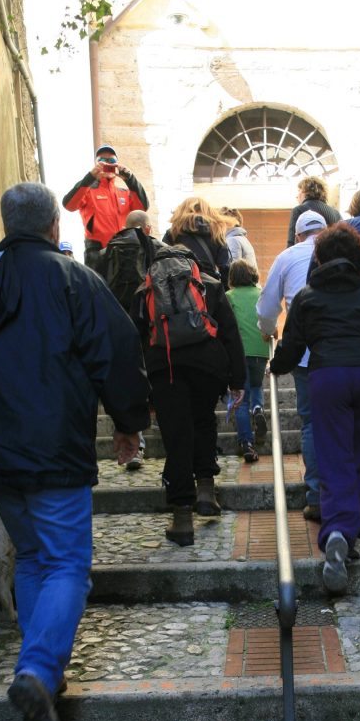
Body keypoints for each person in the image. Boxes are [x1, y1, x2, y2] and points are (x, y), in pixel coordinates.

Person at [0, 182, 150, 721]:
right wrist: (128, 421)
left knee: (32, 556)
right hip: (54, 446)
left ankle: (44, 679)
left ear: (6, 224)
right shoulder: (72, 278)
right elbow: (116, 349)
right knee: (66, 564)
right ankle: (36, 670)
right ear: (55, 225)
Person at [270, 223, 360, 595]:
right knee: (357, 451)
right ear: (359, 256)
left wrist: (275, 365)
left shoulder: (308, 296)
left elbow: (291, 347)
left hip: (328, 377)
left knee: (334, 458)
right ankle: (352, 526)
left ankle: (338, 529)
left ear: (319, 258)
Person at [131, 243, 246, 547]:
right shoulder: (209, 284)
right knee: (203, 421)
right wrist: (238, 380)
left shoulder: (145, 290)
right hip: (207, 365)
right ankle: (206, 488)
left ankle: (182, 516)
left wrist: (140, 388)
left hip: (164, 367)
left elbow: (135, 340)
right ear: (192, 263)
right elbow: (230, 332)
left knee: (176, 435)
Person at [257, 209, 327, 520]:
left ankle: (316, 496)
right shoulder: (342, 253)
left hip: (305, 355)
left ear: (298, 236)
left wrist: (268, 328)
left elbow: (267, 306)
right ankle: (349, 491)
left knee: (311, 421)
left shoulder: (287, 257)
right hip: (346, 354)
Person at [97, 208, 159, 472]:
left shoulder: (105, 252)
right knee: (155, 379)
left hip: (118, 329)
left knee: (127, 383)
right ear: (147, 228)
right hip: (149, 326)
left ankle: (136, 445)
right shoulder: (156, 248)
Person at [62, 143, 149, 270]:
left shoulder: (124, 193)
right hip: (97, 254)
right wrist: (90, 176)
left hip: (125, 252)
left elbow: (143, 207)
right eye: (102, 160)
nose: (107, 164)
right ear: (96, 164)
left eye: (111, 161)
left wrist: (129, 178)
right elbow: (69, 205)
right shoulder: (88, 191)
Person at [226, 259, 267, 463]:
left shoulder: (229, 296)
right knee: (256, 385)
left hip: (239, 352)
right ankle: (258, 409)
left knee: (240, 397)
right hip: (261, 350)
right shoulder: (261, 294)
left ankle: (246, 443)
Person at [163, 197, 230, 288]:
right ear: (208, 211)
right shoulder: (216, 233)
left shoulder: (173, 233)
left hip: (180, 287)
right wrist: (224, 289)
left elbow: (163, 262)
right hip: (209, 286)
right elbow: (225, 267)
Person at [286, 175, 341, 247]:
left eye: (299, 191)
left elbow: (291, 243)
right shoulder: (335, 213)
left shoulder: (298, 210)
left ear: (306, 192)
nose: (296, 196)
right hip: (331, 253)